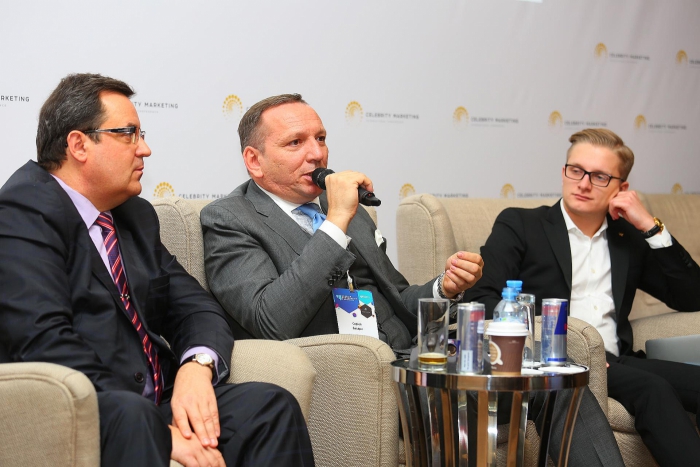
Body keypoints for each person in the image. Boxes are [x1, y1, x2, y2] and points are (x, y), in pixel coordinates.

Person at [0, 74, 315, 467]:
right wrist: (160, 431)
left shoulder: (132, 216)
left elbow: (195, 308)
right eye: (128, 134)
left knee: (269, 407)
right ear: (79, 145)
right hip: (86, 408)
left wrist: (196, 368)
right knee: (135, 418)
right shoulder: (21, 212)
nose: (144, 149)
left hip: (153, 402)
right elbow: (42, 340)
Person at [464, 128, 700, 466]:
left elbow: (691, 297)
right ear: (564, 172)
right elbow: (481, 297)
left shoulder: (627, 239)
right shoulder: (521, 224)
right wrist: (557, 345)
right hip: (560, 360)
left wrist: (650, 226)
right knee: (654, 389)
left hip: (618, 360)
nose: (584, 184)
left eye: (600, 176)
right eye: (576, 170)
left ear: (622, 189)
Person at [201, 93, 484, 352]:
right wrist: (335, 222)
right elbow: (270, 322)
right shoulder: (230, 219)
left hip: (405, 359)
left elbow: (396, 298)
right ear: (254, 160)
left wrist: (444, 288)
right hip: (338, 372)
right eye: (295, 142)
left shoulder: (343, 207)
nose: (317, 154)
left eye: (320, 138)